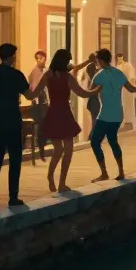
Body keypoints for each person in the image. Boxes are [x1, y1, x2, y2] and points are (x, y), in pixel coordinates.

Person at [0, 43, 39, 207]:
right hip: (12, 120)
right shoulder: (17, 75)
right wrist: (42, 84)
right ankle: (13, 197)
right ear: (11, 56)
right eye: (15, 54)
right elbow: (29, 95)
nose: (16, 57)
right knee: (15, 159)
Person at [31, 49, 98, 192]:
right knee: (61, 149)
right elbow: (81, 92)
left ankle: (61, 181)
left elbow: (80, 92)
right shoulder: (55, 75)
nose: (69, 63)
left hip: (60, 112)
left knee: (66, 149)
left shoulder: (61, 76)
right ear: (63, 61)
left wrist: (94, 91)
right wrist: (96, 91)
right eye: (67, 61)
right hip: (57, 112)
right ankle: (51, 177)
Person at [91, 48, 136, 180]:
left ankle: (104, 173)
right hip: (118, 114)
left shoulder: (99, 75)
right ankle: (121, 171)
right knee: (113, 141)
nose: (96, 63)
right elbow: (132, 89)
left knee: (95, 142)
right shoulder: (119, 73)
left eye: (97, 60)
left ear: (101, 60)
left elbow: (89, 92)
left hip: (105, 114)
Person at [27, 50, 50, 162]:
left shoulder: (45, 70)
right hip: (38, 104)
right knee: (42, 126)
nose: (41, 60)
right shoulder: (35, 72)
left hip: (45, 103)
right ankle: (41, 150)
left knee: (45, 127)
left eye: (42, 58)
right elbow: (34, 88)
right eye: (38, 58)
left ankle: (41, 149)